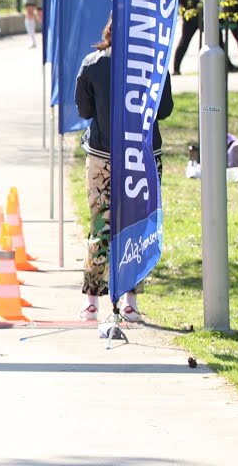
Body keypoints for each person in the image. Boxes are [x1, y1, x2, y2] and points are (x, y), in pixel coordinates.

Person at [75, 17, 172, 322]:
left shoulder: (92, 64)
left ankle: (92, 301)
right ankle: (131, 302)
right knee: (138, 225)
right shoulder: (154, 66)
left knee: (100, 224)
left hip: (103, 156)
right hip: (143, 155)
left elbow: (84, 110)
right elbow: (165, 109)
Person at [172, 0, 200, 75]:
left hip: (195, 15)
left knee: (217, 38)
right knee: (184, 41)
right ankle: (176, 67)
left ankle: (176, 68)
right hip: (191, 16)